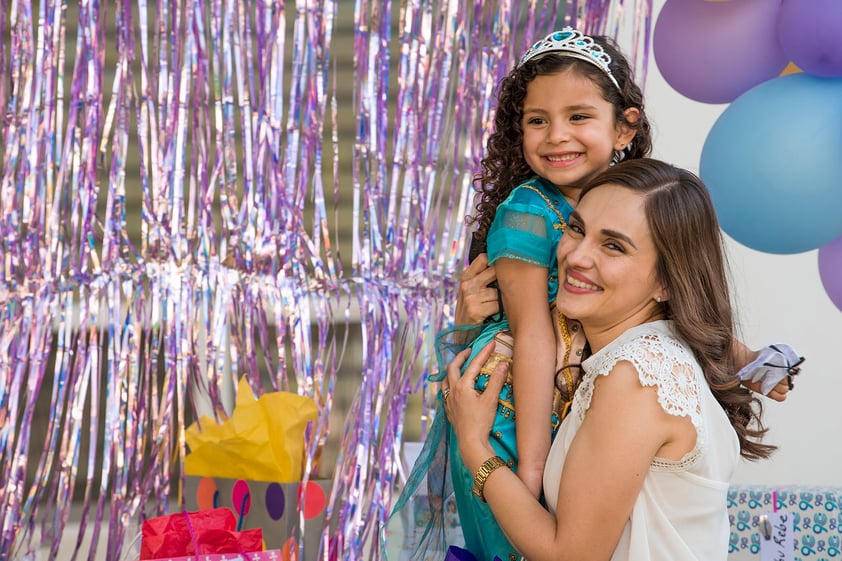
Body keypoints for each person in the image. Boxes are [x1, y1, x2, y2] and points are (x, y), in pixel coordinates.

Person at [387, 27, 652, 561]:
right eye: (537, 121)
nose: (557, 136)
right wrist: (531, 468)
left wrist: (739, 361)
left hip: (572, 395)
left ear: (625, 127)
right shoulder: (528, 212)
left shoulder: (639, 204)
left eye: (578, 117)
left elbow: (665, 301)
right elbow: (533, 333)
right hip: (513, 408)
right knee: (529, 545)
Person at [441, 158, 776, 561]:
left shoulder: (637, 374)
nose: (577, 256)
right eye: (577, 229)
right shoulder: (638, 353)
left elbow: (569, 555)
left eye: (613, 246)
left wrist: (475, 444)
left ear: (668, 282)